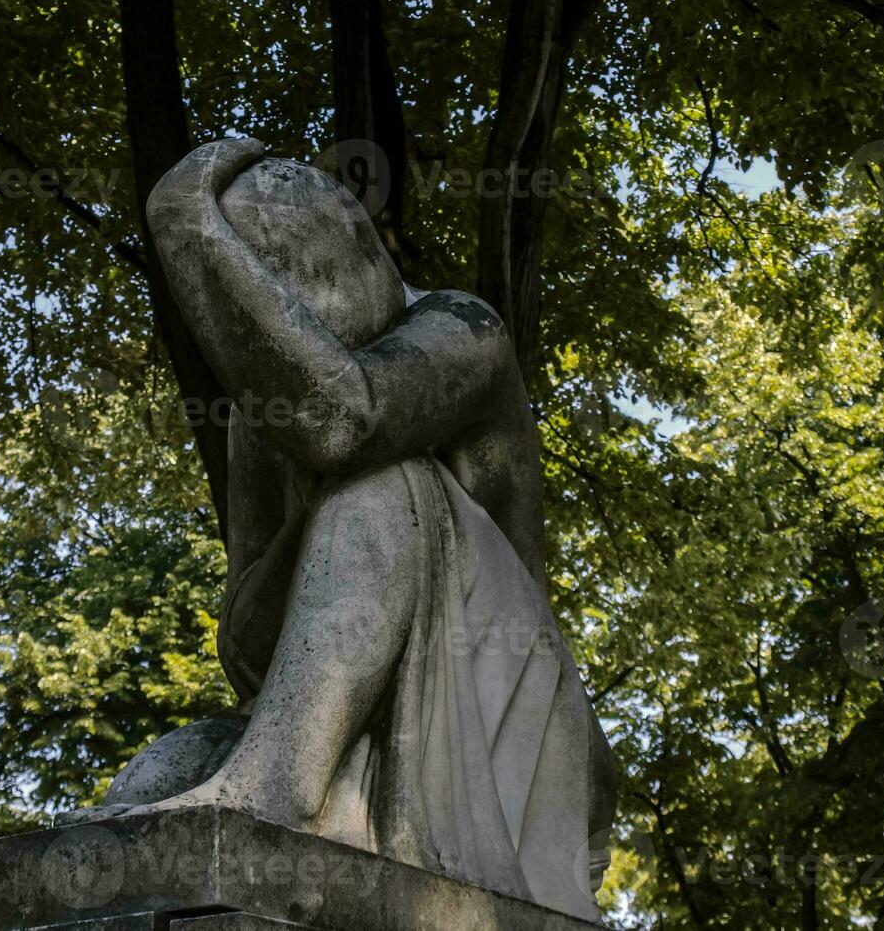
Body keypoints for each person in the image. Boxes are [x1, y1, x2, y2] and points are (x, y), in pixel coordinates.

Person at [65, 139, 615, 919]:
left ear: (359, 245)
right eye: (267, 282)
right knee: (156, 779)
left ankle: (276, 790)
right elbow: (251, 632)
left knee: (380, 482)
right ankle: (277, 784)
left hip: (503, 707)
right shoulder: (265, 405)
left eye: (311, 266)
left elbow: (346, 423)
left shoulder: (461, 327)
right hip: (349, 712)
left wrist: (181, 212)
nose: (293, 309)